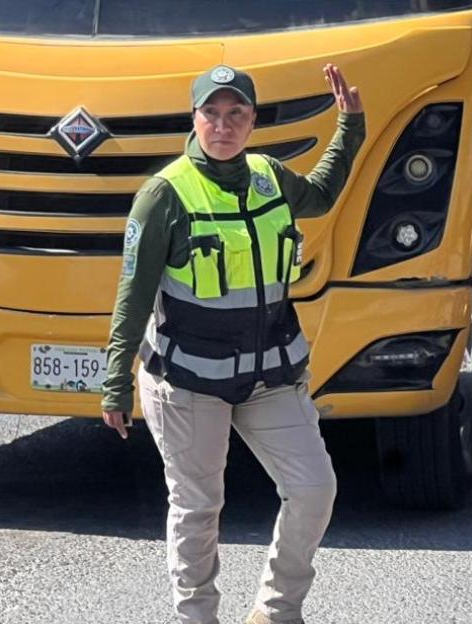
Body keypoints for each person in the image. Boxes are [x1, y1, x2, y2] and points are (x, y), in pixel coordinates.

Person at [101, 63, 365, 624]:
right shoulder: (163, 195)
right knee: (198, 509)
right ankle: (197, 617)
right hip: (188, 383)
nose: (222, 126)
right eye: (211, 114)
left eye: (235, 114)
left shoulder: (268, 175)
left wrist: (351, 125)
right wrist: (115, 382)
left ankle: (276, 612)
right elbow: (133, 294)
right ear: (194, 119)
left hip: (270, 377)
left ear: (252, 120)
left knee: (315, 489)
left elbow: (320, 195)